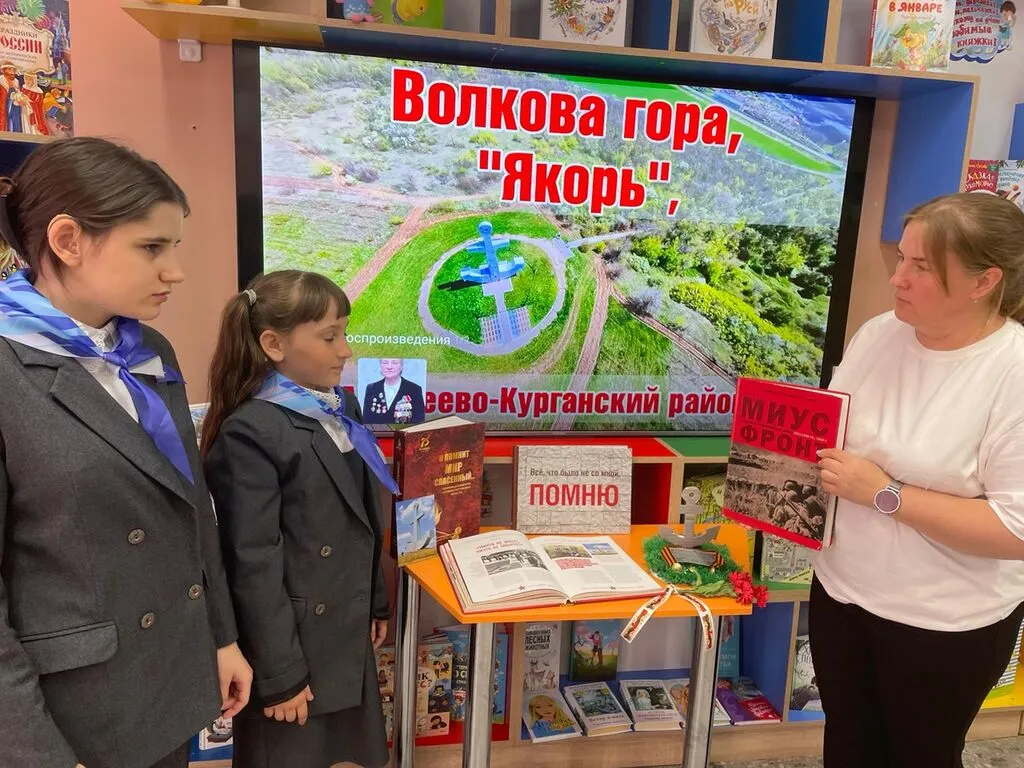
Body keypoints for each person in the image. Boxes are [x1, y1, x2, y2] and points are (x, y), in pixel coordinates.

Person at [0, 137, 252, 768]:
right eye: (151, 248)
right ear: (67, 240)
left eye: (174, 247)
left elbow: (189, 505)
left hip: (167, 676)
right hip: (71, 711)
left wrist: (220, 636)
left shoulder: (147, 351)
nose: (176, 271)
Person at [811, 192, 1024, 768]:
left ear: (984, 282)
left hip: (943, 624)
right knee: (848, 747)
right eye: (902, 258)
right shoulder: (880, 332)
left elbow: (1015, 531)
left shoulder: (1012, 372)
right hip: (841, 594)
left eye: (921, 266)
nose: (897, 277)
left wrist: (884, 494)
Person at [201, 269, 397, 768]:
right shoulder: (251, 432)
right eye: (330, 337)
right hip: (293, 649)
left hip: (342, 632)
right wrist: (280, 674)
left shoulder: (339, 407)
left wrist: (376, 600)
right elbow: (252, 565)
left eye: (345, 333)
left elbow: (362, 519)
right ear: (273, 344)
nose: (345, 350)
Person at [361, 357, 425, 425]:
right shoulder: (371, 388)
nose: (389, 367)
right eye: (385, 362)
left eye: (394, 363)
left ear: (401, 366)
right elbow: (366, 421)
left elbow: (419, 422)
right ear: (381, 365)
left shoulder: (414, 389)